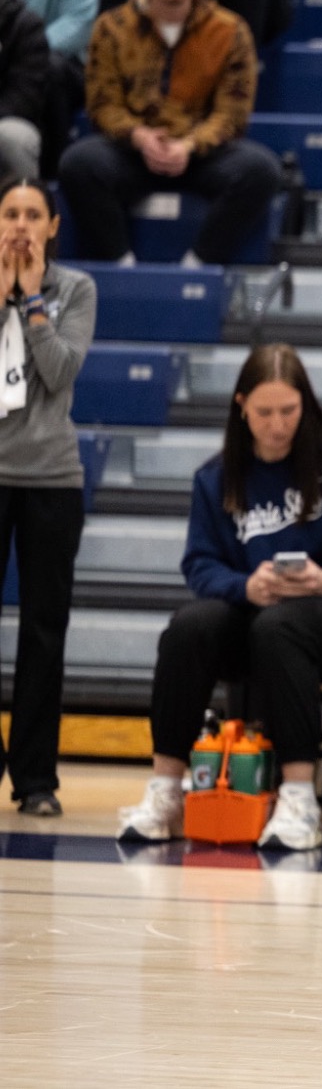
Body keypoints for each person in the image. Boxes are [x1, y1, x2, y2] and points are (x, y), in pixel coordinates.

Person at [116, 344, 322, 851]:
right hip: (254, 615)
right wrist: (244, 586)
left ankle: (297, 797)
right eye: (264, 412)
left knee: (280, 627)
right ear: (241, 406)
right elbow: (199, 565)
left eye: (289, 411)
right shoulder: (215, 477)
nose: (277, 424)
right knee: (188, 627)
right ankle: (166, 788)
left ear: (305, 406)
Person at [60, 0, 282, 267]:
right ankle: (121, 263)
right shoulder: (112, 27)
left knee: (261, 170)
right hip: (133, 152)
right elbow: (102, 104)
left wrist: (189, 145)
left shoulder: (230, 31)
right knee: (78, 163)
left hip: (200, 155)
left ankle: (198, 264)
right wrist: (140, 137)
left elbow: (232, 113)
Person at [0, 179, 93, 816]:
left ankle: (35, 780)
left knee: (43, 631)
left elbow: (60, 372)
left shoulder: (76, 290)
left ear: (53, 226)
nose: (21, 225)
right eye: (10, 213)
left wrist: (32, 302)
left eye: (34, 215)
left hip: (51, 480)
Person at [0, 0, 98, 176]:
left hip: (60, 58)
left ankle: (51, 180)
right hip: (8, 50)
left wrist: (27, 48)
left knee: (50, 69)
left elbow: (79, 21)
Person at [0, 0, 47, 184]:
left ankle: (21, 208)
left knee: (15, 137)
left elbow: (24, 98)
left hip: (5, 119)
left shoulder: (24, 25)